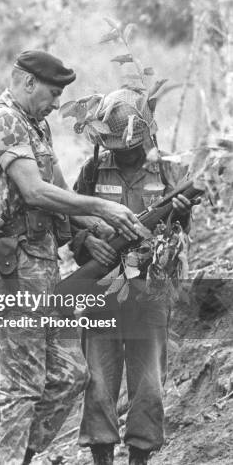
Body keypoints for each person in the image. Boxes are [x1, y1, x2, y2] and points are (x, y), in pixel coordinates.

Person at [0, 50, 145, 465]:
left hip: (41, 265)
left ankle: (20, 456)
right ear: (28, 83)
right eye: (52, 93)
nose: (55, 103)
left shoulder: (35, 125)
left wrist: (91, 227)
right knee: (21, 385)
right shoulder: (6, 121)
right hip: (13, 267)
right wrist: (103, 208)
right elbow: (34, 191)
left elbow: (56, 190)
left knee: (70, 374)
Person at [70, 88, 193, 465]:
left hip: (150, 290)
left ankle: (139, 456)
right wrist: (88, 242)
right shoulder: (92, 170)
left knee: (148, 383)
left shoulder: (171, 170)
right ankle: (102, 456)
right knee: (99, 379)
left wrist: (181, 214)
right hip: (103, 289)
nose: (124, 151)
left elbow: (178, 235)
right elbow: (69, 218)